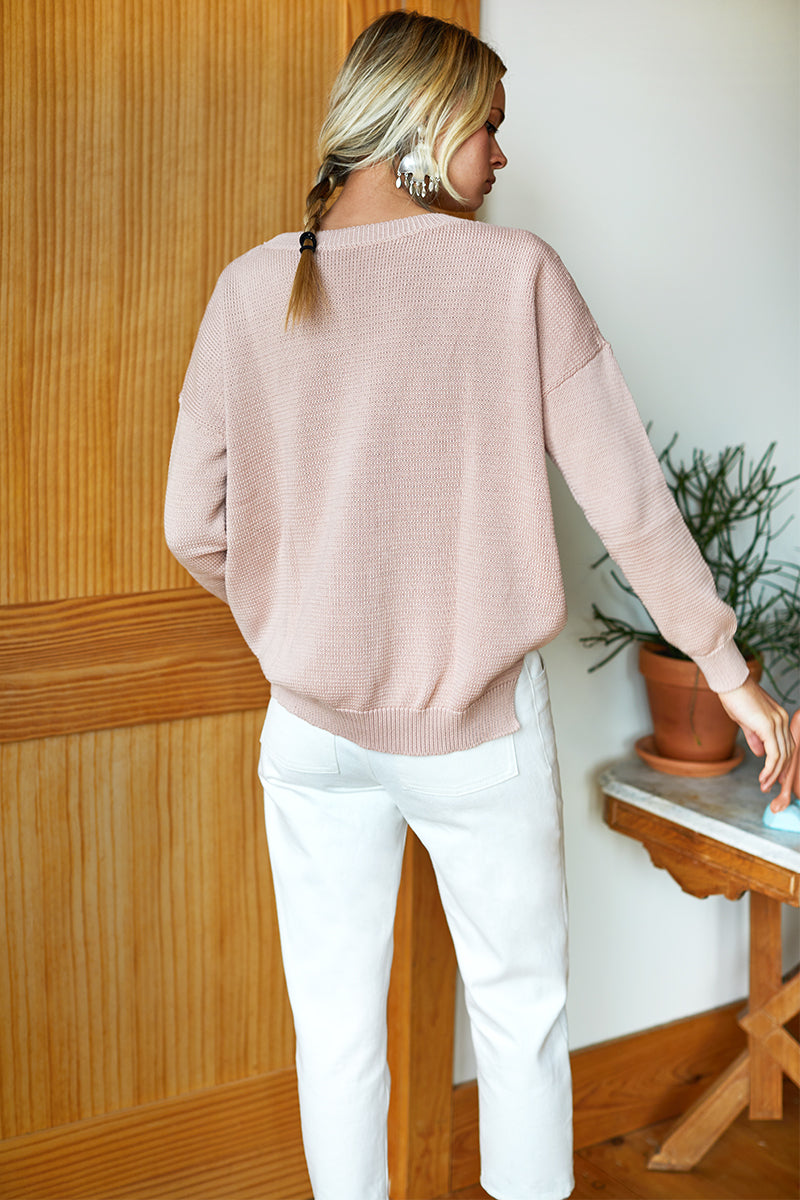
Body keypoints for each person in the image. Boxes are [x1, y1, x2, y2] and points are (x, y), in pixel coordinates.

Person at [164, 12, 794, 1200]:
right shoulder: (514, 276)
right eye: (488, 126)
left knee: (333, 1036)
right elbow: (629, 506)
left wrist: (298, 619)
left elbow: (192, 527)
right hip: (478, 737)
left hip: (307, 738)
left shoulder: (250, 288)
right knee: (517, 1022)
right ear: (426, 119)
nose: (502, 154)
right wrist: (727, 673)